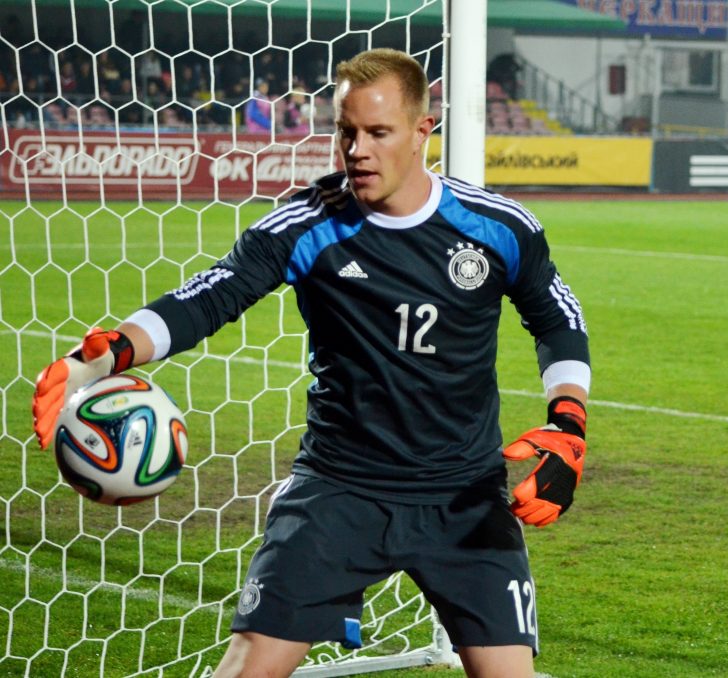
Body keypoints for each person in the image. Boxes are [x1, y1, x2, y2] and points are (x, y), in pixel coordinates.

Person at [31, 48, 590, 678]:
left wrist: (568, 425)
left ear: (421, 132)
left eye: (378, 133)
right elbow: (212, 295)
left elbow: (559, 320)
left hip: (463, 495)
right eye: (345, 131)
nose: (357, 150)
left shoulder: (498, 227)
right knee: (246, 671)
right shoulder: (308, 223)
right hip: (338, 491)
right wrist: (103, 354)